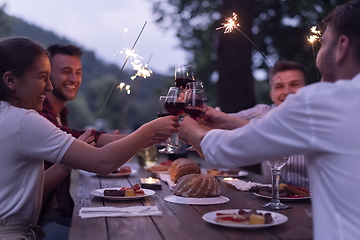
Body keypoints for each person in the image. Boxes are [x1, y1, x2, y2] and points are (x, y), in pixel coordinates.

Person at [179, 1, 360, 239]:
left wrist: (195, 132)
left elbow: (231, 150)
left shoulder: (324, 101)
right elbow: (253, 128)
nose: (319, 53)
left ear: (341, 47)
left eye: (324, 43)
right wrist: (220, 120)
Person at [0, 36, 179, 239]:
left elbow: (30, 190)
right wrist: (150, 129)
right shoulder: (23, 120)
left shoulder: (8, 116)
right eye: (42, 77)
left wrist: (67, 163)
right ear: (10, 80)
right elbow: (102, 162)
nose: (49, 87)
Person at [37, 44, 127, 239]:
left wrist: (118, 141)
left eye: (78, 72)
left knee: (120, 225)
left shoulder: (61, 113)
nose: (73, 79)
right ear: (47, 75)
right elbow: (70, 138)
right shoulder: (37, 112)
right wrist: (138, 137)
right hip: (40, 223)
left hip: (62, 213)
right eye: (66, 72)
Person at [227, 61, 309, 188]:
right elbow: (221, 121)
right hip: (270, 198)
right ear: (271, 95)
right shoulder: (262, 113)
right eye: (279, 86)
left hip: (312, 201)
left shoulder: (320, 118)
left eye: (294, 84)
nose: (287, 92)